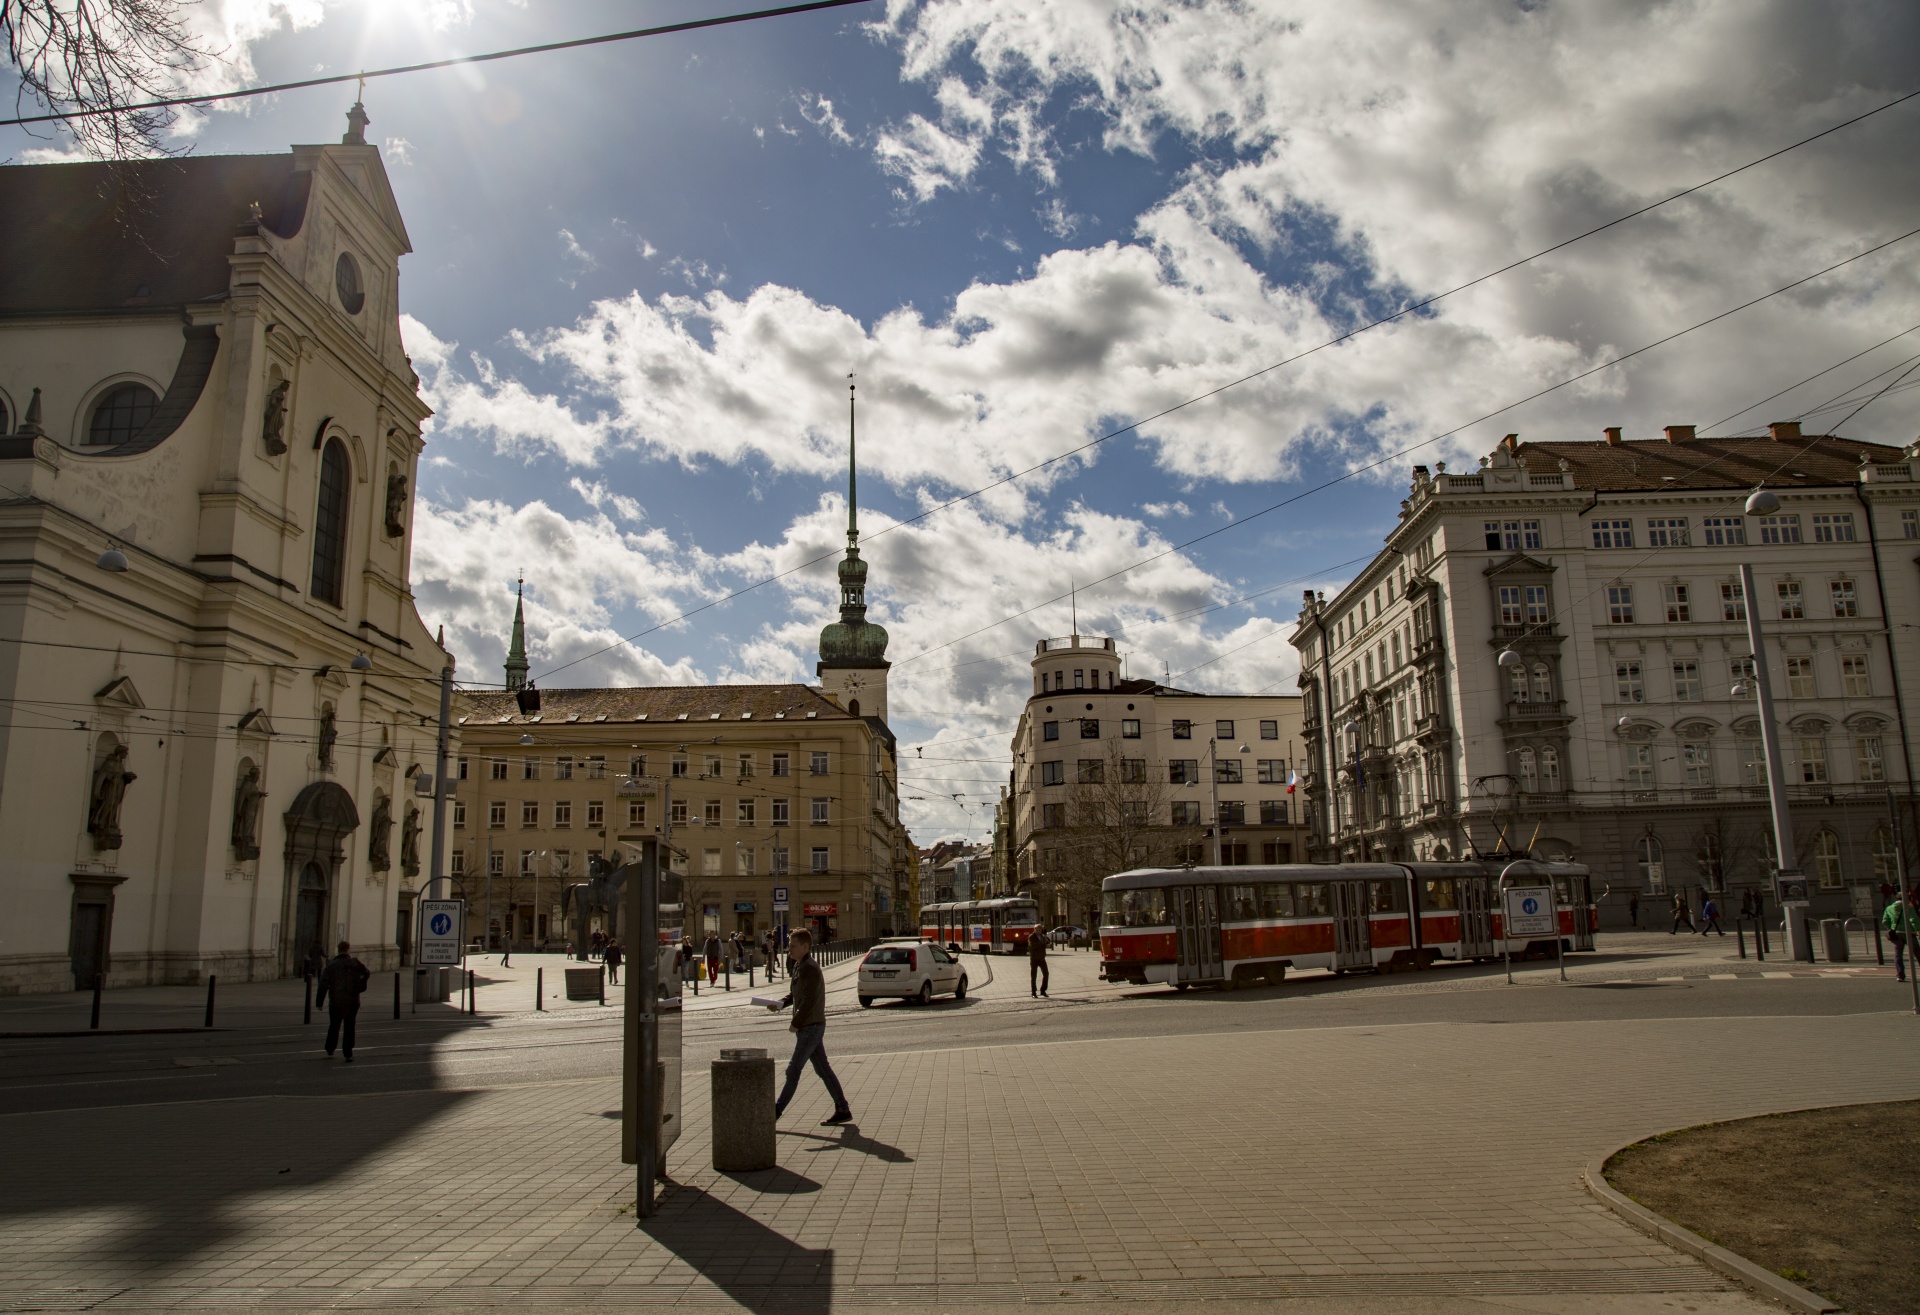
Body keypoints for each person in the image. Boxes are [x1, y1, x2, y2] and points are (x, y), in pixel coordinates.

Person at [766, 928, 851, 1125]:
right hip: (811, 1025)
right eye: (789, 946)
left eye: (793, 946)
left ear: (805, 947)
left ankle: (775, 1112)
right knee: (823, 1070)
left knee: (793, 1070)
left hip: (810, 1027)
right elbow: (796, 995)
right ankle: (842, 1108)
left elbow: (809, 1000)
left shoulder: (809, 968)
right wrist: (779, 1004)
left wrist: (796, 1023)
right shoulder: (800, 966)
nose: (789, 950)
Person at [314, 940, 371, 1062]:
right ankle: (348, 1052)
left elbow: (323, 984)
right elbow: (366, 973)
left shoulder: (331, 965)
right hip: (352, 1000)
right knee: (350, 1026)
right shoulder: (354, 963)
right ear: (348, 950)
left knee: (334, 1025)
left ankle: (330, 1047)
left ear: (338, 950)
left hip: (336, 1000)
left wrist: (319, 1002)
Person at [1885, 888, 1917, 983]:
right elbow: (1913, 920)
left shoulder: (1889, 908)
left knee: (1898, 955)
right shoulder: (1908, 907)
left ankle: (1900, 975)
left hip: (1897, 933)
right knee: (1917, 953)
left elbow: (1885, 921)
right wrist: (1917, 930)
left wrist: (1891, 928)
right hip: (1909, 933)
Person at [1028, 921, 1049, 998]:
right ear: (1034, 930)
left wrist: (1047, 943)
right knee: (1034, 976)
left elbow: (1045, 943)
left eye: (1039, 930)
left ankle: (1043, 990)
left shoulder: (1043, 936)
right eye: (1036, 930)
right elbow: (1032, 946)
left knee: (1046, 974)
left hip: (1042, 958)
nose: (1038, 931)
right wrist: (1042, 943)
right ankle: (1033, 992)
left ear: (1041, 930)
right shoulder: (1031, 937)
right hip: (1034, 959)